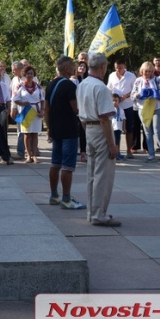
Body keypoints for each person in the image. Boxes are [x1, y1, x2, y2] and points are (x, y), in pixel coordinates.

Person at [77, 52, 120, 227]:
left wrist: (87, 131)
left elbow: (80, 114)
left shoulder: (82, 84)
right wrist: (112, 144)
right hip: (101, 130)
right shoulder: (101, 87)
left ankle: (92, 212)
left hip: (88, 128)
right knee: (103, 174)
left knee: (91, 174)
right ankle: (98, 214)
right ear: (102, 66)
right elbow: (105, 118)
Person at [43, 56, 85, 210]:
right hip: (69, 130)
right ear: (67, 69)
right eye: (73, 65)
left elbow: (46, 109)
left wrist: (49, 128)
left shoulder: (50, 84)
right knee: (68, 165)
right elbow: (76, 109)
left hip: (56, 129)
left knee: (55, 163)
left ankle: (54, 195)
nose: (75, 67)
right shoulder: (69, 86)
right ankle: (66, 199)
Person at [131, 61, 160, 164]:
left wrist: (156, 93)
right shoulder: (138, 81)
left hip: (156, 108)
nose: (147, 73)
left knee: (158, 132)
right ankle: (151, 154)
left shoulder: (157, 80)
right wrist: (138, 94)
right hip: (143, 108)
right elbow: (132, 95)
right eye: (145, 71)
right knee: (147, 132)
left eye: (150, 71)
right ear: (141, 71)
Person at [11, 65, 44, 163]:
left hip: (36, 111)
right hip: (25, 111)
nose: (30, 75)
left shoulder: (38, 86)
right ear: (24, 75)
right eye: (28, 73)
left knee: (35, 134)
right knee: (27, 134)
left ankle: (34, 155)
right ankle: (28, 155)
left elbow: (42, 99)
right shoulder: (20, 86)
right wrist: (22, 103)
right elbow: (14, 99)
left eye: (31, 73)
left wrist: (42, 110)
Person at [107, 57, 137, 159]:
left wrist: (126, 96)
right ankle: (117, 150)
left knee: (128, 128)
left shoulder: (131, 76)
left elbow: (135, 89)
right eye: (116, 68)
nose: (118, 70)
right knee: (116, 128)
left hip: (127, 105)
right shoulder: (111, 76)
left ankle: (129, 150)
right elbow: (109, 89)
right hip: (115, 106)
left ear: (124, 66)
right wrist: (114, 98)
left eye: (120, 68)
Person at [72, 60, 89, 162]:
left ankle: (83, 152)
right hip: (76, 108)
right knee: (75, 130)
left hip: (85, 108)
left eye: (84, 67)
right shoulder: (73, 80)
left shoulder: (88, 80)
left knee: (83, 132)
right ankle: (74, 151)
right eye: (80, 66)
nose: (82, 68)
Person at [111, 93, 125, 160]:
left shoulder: (121, 110)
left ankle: (118, 152)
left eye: (116, 100)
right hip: (112, 128)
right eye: (113, 100)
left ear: (119, 101)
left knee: (117, 141)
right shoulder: (110, 109)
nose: (114, 102)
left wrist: (124, 128)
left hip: (118, 128)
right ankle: (114, 153)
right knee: (113, 141)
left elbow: (124, 119)